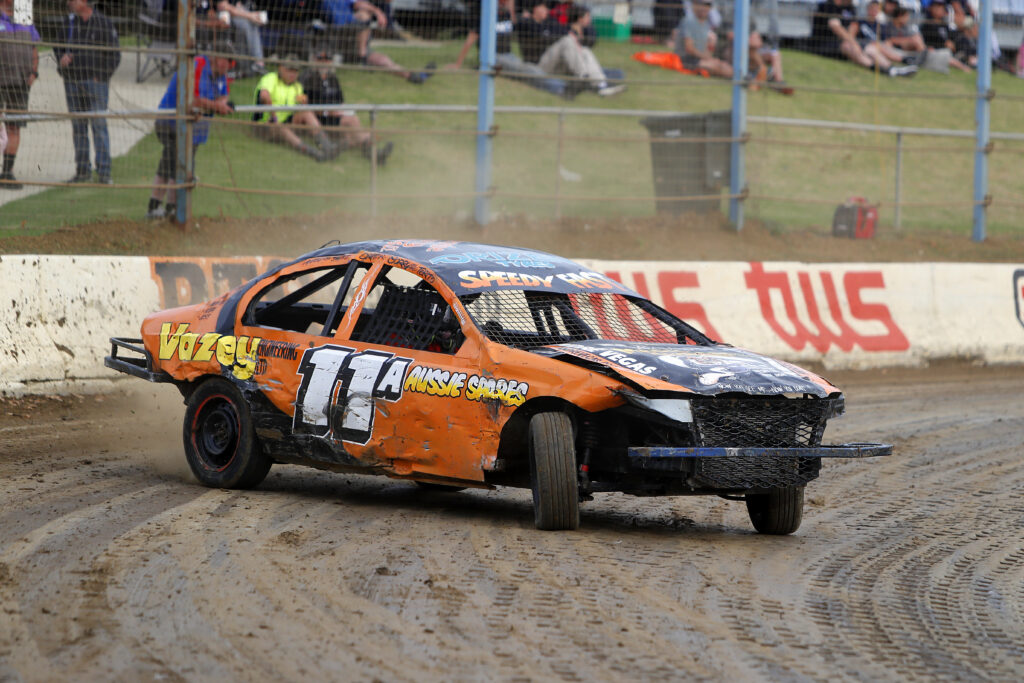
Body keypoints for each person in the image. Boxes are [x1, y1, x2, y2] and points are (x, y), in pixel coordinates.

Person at [147, 40, 236, 219]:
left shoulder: (220, 74)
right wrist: (216, 106)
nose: (229, 67)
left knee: (182, 165)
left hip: (194, 129)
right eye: (228, 62)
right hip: (171, 122)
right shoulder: (197, 65)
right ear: (218, 58)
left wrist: (221, 104)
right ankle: (156, 207)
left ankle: (171, 208)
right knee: (173, 163)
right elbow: (192, 99)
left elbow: (224, 95)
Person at [54, 0, 121, 184]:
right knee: (78, 128)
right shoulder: (68, 23)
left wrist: (102, 76)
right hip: (72, 82)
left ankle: (104, 173)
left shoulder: (103, 23)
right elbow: (57, 47)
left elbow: (115, 54)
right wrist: (61, 60)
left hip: (95, 83)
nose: (69, 2)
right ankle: (83, 171)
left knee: (99, 126)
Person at [448, 0, 567, 97]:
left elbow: (517, 24)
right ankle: (560, 88)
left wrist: (530, 16)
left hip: (509, 55)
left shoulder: (506, 14)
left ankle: (562, 86)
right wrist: (458, 64)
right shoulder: (484, 14)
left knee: (530, 68)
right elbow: (470, 40)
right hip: (493, 57)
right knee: (525, 70)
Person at [298, 50, 394, 164]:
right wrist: (327, 112)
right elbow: (304, 106)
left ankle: (373, 154)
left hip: (335, 118)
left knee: (357, 132)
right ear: (314, 60)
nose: (324, 62)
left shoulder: (333, 78)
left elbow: (340, 102)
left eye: (327, 60)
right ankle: (372, 154)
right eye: (320, 59)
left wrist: (344, 110)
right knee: (353, 123)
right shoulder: (307, 78)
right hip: (320, 119)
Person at [321, 0, 435, 83]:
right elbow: (358, 4)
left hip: (353, 39)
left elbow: (360, 3)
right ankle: (362, 56)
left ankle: (415, 77)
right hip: (337, 35)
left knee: (383, 60)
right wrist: (377, 11)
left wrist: (377, 11)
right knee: (364, 16)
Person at [252, 56, 339, 162]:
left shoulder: (297, 86)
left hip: (285, 122)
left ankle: (326, 145)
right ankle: (313, 153)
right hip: (265, 125)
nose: (292, 74)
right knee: (281, 127)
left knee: (306, 113)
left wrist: (304, 105)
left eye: (295, 71)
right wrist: (274, 117)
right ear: (281, 68)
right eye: (289, 70)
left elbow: (302, 107)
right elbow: (264, 96)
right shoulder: (271, 78)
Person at [809, 0, 916, 77]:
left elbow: (852, 28)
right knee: (848, 46)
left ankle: (891, 69)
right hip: (826, 43)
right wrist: (853, 42)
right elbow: (836, 27)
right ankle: (876, 68)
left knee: (871, 48)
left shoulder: (850, 8)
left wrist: (855, 42)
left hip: (848, 41)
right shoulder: (828, 6)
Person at [537, 4, 625, 96]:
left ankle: (601, 85)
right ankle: (584, 79)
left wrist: (580, 34)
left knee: (585, 50)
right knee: (568, 40)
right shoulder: (560, 28)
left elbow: (592, 40)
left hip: (566, 67)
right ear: (580, 19)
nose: (589, 19)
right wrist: (571, 33)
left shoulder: (585, 31)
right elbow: (553, 41)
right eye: (587, 17)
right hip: (546, 65)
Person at [0, 0, 40, 190]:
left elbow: (34, 48)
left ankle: (7, 172)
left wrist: (34, 72)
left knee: (14, 126)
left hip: (21, 82)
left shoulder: (24, 15)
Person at [673, 0, 732, 79]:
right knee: (717, 66)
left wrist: (709, 53)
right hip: (685, 60)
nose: (704, 7)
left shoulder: (706, 23)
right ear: (695, 5)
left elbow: (705, 48)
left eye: (707, 4)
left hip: (699, 59)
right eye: (701, 4)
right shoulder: (689, 20)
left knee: (722, 64)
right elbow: (689, 49)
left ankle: (740, 78)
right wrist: (706, 57)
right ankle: (737, 78)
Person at [216, 1, 267, 75]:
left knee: (250, 23)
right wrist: (250, 16)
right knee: (245, 23)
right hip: (224, 17)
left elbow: (240, 8)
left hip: (241, 17)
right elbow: (223, 6)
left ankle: (252, 65)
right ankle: (258, 62)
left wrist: (257, 17)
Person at [920, 2, 972, 72]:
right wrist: (946, 44)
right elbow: (930, 42)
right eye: (937, 7)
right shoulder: (927, 24)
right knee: (947, 56)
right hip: (935, 52)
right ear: (931, 8)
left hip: (948, 51)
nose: (939, 9)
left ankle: (970, 59)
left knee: (963, 40)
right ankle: (964, 67)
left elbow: (953, 36)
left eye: (941, 7)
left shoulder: (944, 24)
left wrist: (952, 43)